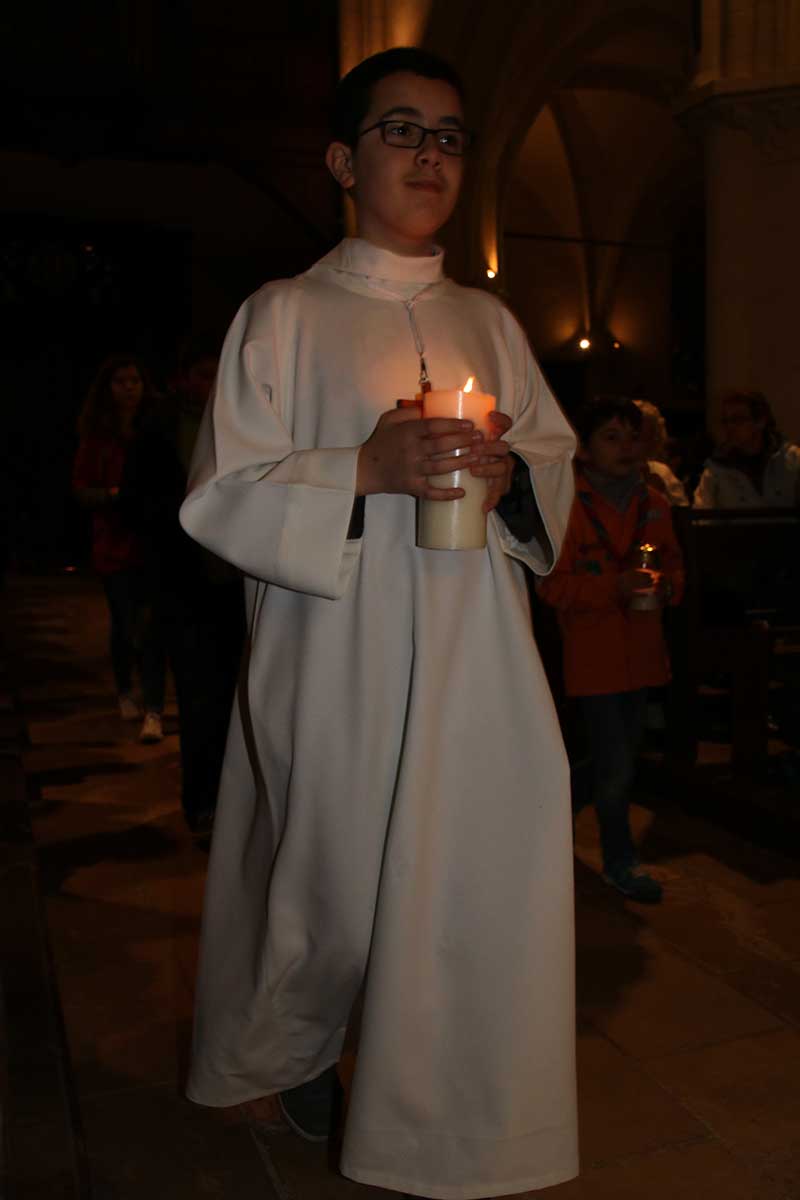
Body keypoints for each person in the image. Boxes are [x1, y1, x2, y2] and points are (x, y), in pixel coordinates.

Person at [180, 46, 579, 1200]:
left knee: (465, 887)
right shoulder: (284, 316)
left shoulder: (491, 322)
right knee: (328, 886)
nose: (430, 155)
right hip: (333, 656)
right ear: (344, 162)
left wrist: (509, 479)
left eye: (449, 137)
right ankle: (297, 1046)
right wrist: (360, 469)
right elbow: (219, 496)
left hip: (478, 664)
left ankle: (444, 1123)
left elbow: (546, 461)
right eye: (403, 131)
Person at [538, 397, 684, 903]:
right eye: (611, 437)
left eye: (633, 437)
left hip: (643, 654)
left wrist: (666, 589)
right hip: (594, 658)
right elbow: (552, 587)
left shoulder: (655, 504)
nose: (625, 448)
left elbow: (676, 570)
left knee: (611, 761)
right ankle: (621, 863)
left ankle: (539, 819)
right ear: (583, 447)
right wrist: (613, 589)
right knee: (617, 766)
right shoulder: (569, 506)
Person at [122, 336, 245, 833]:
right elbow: (138, 503)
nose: (211, 385)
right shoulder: (159, 429)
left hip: (236, 582)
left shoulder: (240, 427)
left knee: (237, 696)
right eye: (202, 375)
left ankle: (234, 802)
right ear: (184, 379)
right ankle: (201, 802)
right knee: (197, 698)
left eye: (218, 375)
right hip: (185, 582)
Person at [72, 354, 167, 743]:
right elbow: (81, 489)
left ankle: (153, 705)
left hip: (149, 540)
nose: (128, 388)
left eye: (134, 381)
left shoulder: (155, 428)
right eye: (120, 381)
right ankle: (125, 688)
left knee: (150, 624)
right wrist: (116, 495)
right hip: (113, 540)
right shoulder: (98, 436)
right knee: (124, 621)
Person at [693, 389, 800, 508]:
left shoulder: (792, 460)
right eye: (725, 421)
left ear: (760, 421)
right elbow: (702, 518)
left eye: (737, 420)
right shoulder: (716, 470)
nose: (729, 427)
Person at [634, 398, 689, 506]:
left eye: (643, 438)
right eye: (635, 437)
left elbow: (681, 513)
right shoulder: (611, 472)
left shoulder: (662, 473)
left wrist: (659, 494)